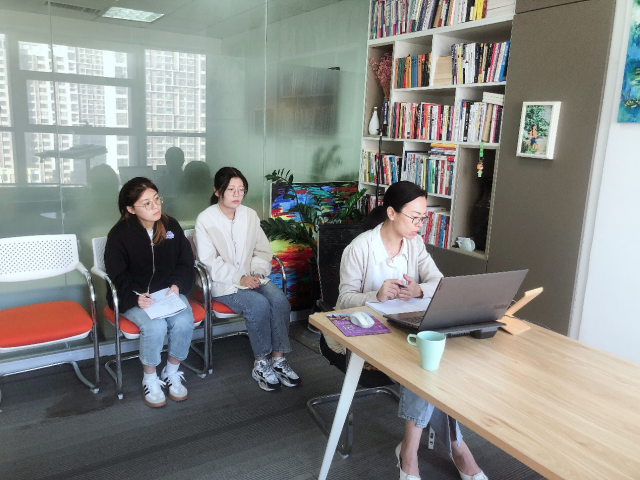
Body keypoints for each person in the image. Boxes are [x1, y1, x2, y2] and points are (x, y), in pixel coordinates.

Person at [337, 181, 488, 480]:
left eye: (423, 218)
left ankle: (413, 451)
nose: (419, 225)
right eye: (414, 217)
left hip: (404, 327)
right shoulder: (359, 248)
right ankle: (447, 450)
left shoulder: (415, 244)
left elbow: (438, 282)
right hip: (368, 335)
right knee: (425, 368)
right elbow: (342, 301)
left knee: (433, 363)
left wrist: (419, 290)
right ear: (392, 213)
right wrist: (375, 295)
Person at [194, 167, 301, 392]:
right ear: (217, 191)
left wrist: (258, 273)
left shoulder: (250, 215)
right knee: (258, 305)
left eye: (241, 190)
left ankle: (278, 359)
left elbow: (261, 250)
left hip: (253, 277)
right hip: (224, 283)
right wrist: (239, 278)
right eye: (230, 189)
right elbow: (208, 261)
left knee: (280, 301)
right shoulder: (205, 219)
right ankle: (261, 363)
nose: (237, 195)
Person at [105, 177, 196, 408]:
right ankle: (150, 378)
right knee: (155, 326)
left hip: (167, 293)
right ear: (130, 209)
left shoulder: (170, 225)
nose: (155, 206)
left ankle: (171, 371)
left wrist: (177, 285)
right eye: (147, 203)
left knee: (184, 321)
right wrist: (135, 297)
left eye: (156, 199)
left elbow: (185, 262)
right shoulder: (119, 235)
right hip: (135, 297)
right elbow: (117, 275)